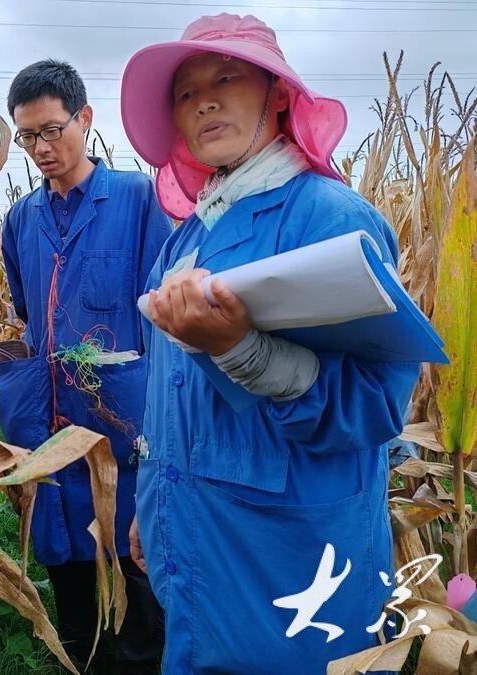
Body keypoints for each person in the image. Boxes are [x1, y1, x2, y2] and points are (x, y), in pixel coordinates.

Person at [120, 14, 420, 673]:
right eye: (186, 91)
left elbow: (375, 406)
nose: (205, 99)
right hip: (199, 546)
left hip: (292, 563)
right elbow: (171, 393)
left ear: (278, 96)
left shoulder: (332, 220)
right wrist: (154, 498)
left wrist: (243, 351)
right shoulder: (186, 237)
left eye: (227, 77)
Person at [0, 60, 171, 673]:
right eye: (27, 137)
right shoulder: (19, 221)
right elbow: (26, 310)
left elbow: (159, 312)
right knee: (65, 554)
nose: (41, 148)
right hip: (49, 425)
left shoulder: (139, 199)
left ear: (85, 119)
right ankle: (80, 657)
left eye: (52, 130)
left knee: (131, 557)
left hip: (121, 424)